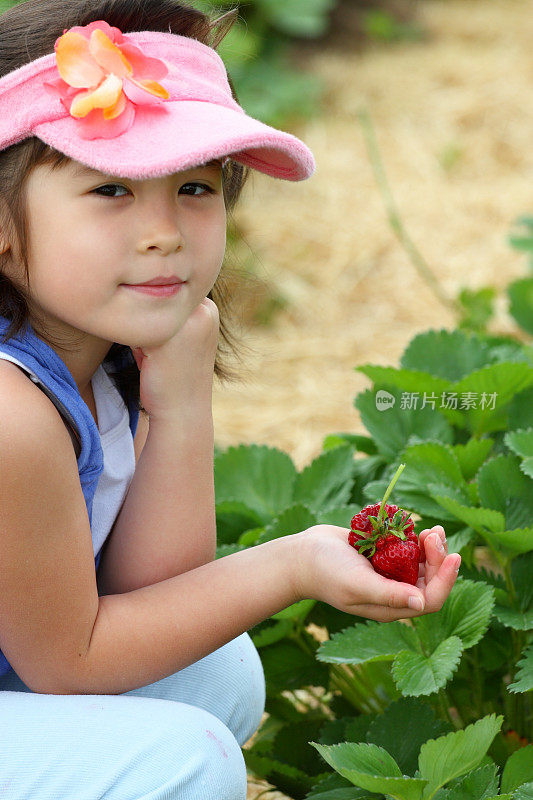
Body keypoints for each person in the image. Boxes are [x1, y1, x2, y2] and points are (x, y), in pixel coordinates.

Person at [0, 0, 461, 797]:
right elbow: (70, 662)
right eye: (110, 190)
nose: (165, 232)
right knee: (183, 757)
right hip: (42, 666)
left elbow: (154, 598)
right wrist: (292, 563)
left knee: (215, 671)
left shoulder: (92, 352)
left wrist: (176, 401)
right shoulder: (11, 414)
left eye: (193, 188)